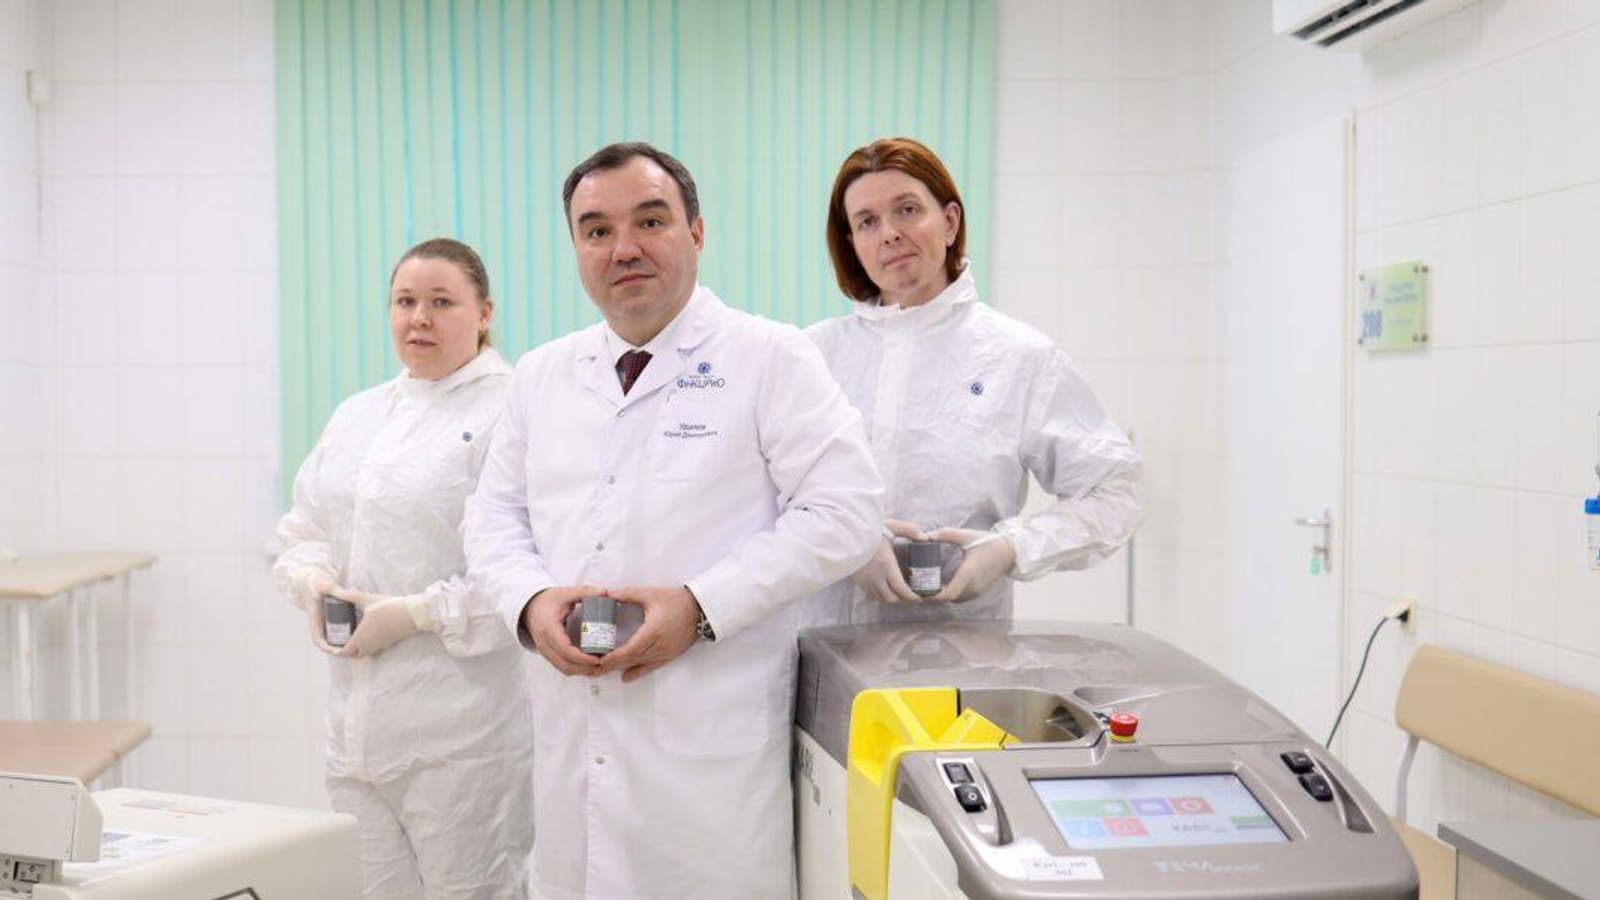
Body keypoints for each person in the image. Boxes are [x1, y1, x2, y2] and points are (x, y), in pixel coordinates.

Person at [462, 142, 882, 899]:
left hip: (708, 768)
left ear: (696, 232)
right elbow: (493, 515)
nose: (623, 248)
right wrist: (529, 601)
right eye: (596, 230)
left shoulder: (769, 357)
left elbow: (846, 511)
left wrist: (700, 606)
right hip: (572, 751)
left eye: (650, 221)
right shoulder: (543, 375)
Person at [274, 238, 533, 900]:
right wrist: (312, 582)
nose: (419, 318)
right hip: (356, 734)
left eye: (442, 302)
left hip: (465, 739)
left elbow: (525, 577)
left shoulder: (513, 411)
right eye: (405, 301)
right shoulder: (360, 414)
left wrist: (415, 615)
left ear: (484, 313)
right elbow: (304, 526)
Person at [802, 137, 1141, 627]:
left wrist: (1011, 548)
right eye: (867, 222)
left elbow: (1115, 492)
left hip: (959, 649)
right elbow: (760, 494)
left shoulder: (1019, 357)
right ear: (851, 244)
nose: (890, 234)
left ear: (949, 222)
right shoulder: (812, 356)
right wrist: (844, 540)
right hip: (816, 647)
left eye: (907, 210)